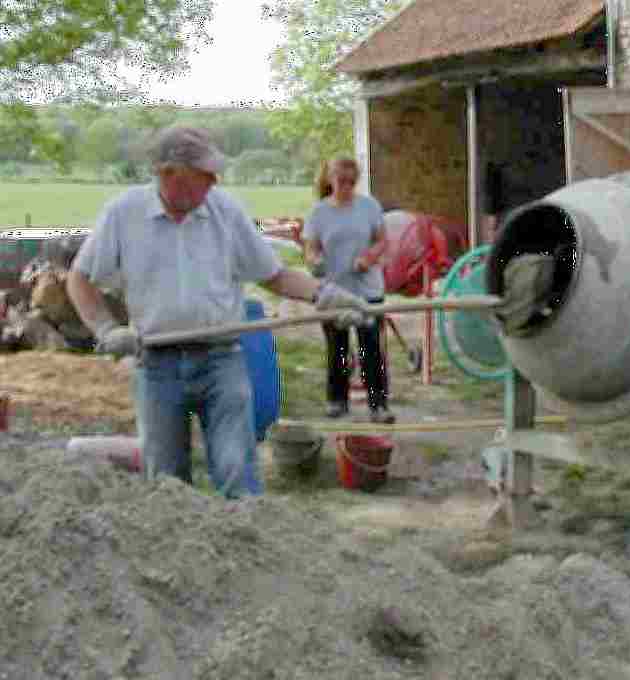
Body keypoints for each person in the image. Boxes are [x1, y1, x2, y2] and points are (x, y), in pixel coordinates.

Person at [66, 126, 367, 498]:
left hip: (221, 360)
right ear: (168, 173)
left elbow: (274, 276)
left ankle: (246, 548)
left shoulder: (226, 211)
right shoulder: (124, 215)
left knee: (237, 469)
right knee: (166, 481)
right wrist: (106, 329)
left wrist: (326, 295)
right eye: (204, 175)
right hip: (157, 365)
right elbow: (79, 280)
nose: (214, 181)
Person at [302, 154, 395, 424]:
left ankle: (378, 405)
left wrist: (369, 257)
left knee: (371, 348)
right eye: (341, 181)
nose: (346, 186)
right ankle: (337, 401)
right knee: (338, 348)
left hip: (368, 291)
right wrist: (314, 261)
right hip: (334, 291)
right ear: (330, 179)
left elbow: (382, 241)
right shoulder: (318, 212)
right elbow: (310, 248)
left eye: (351, 182)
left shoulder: (369, 207)